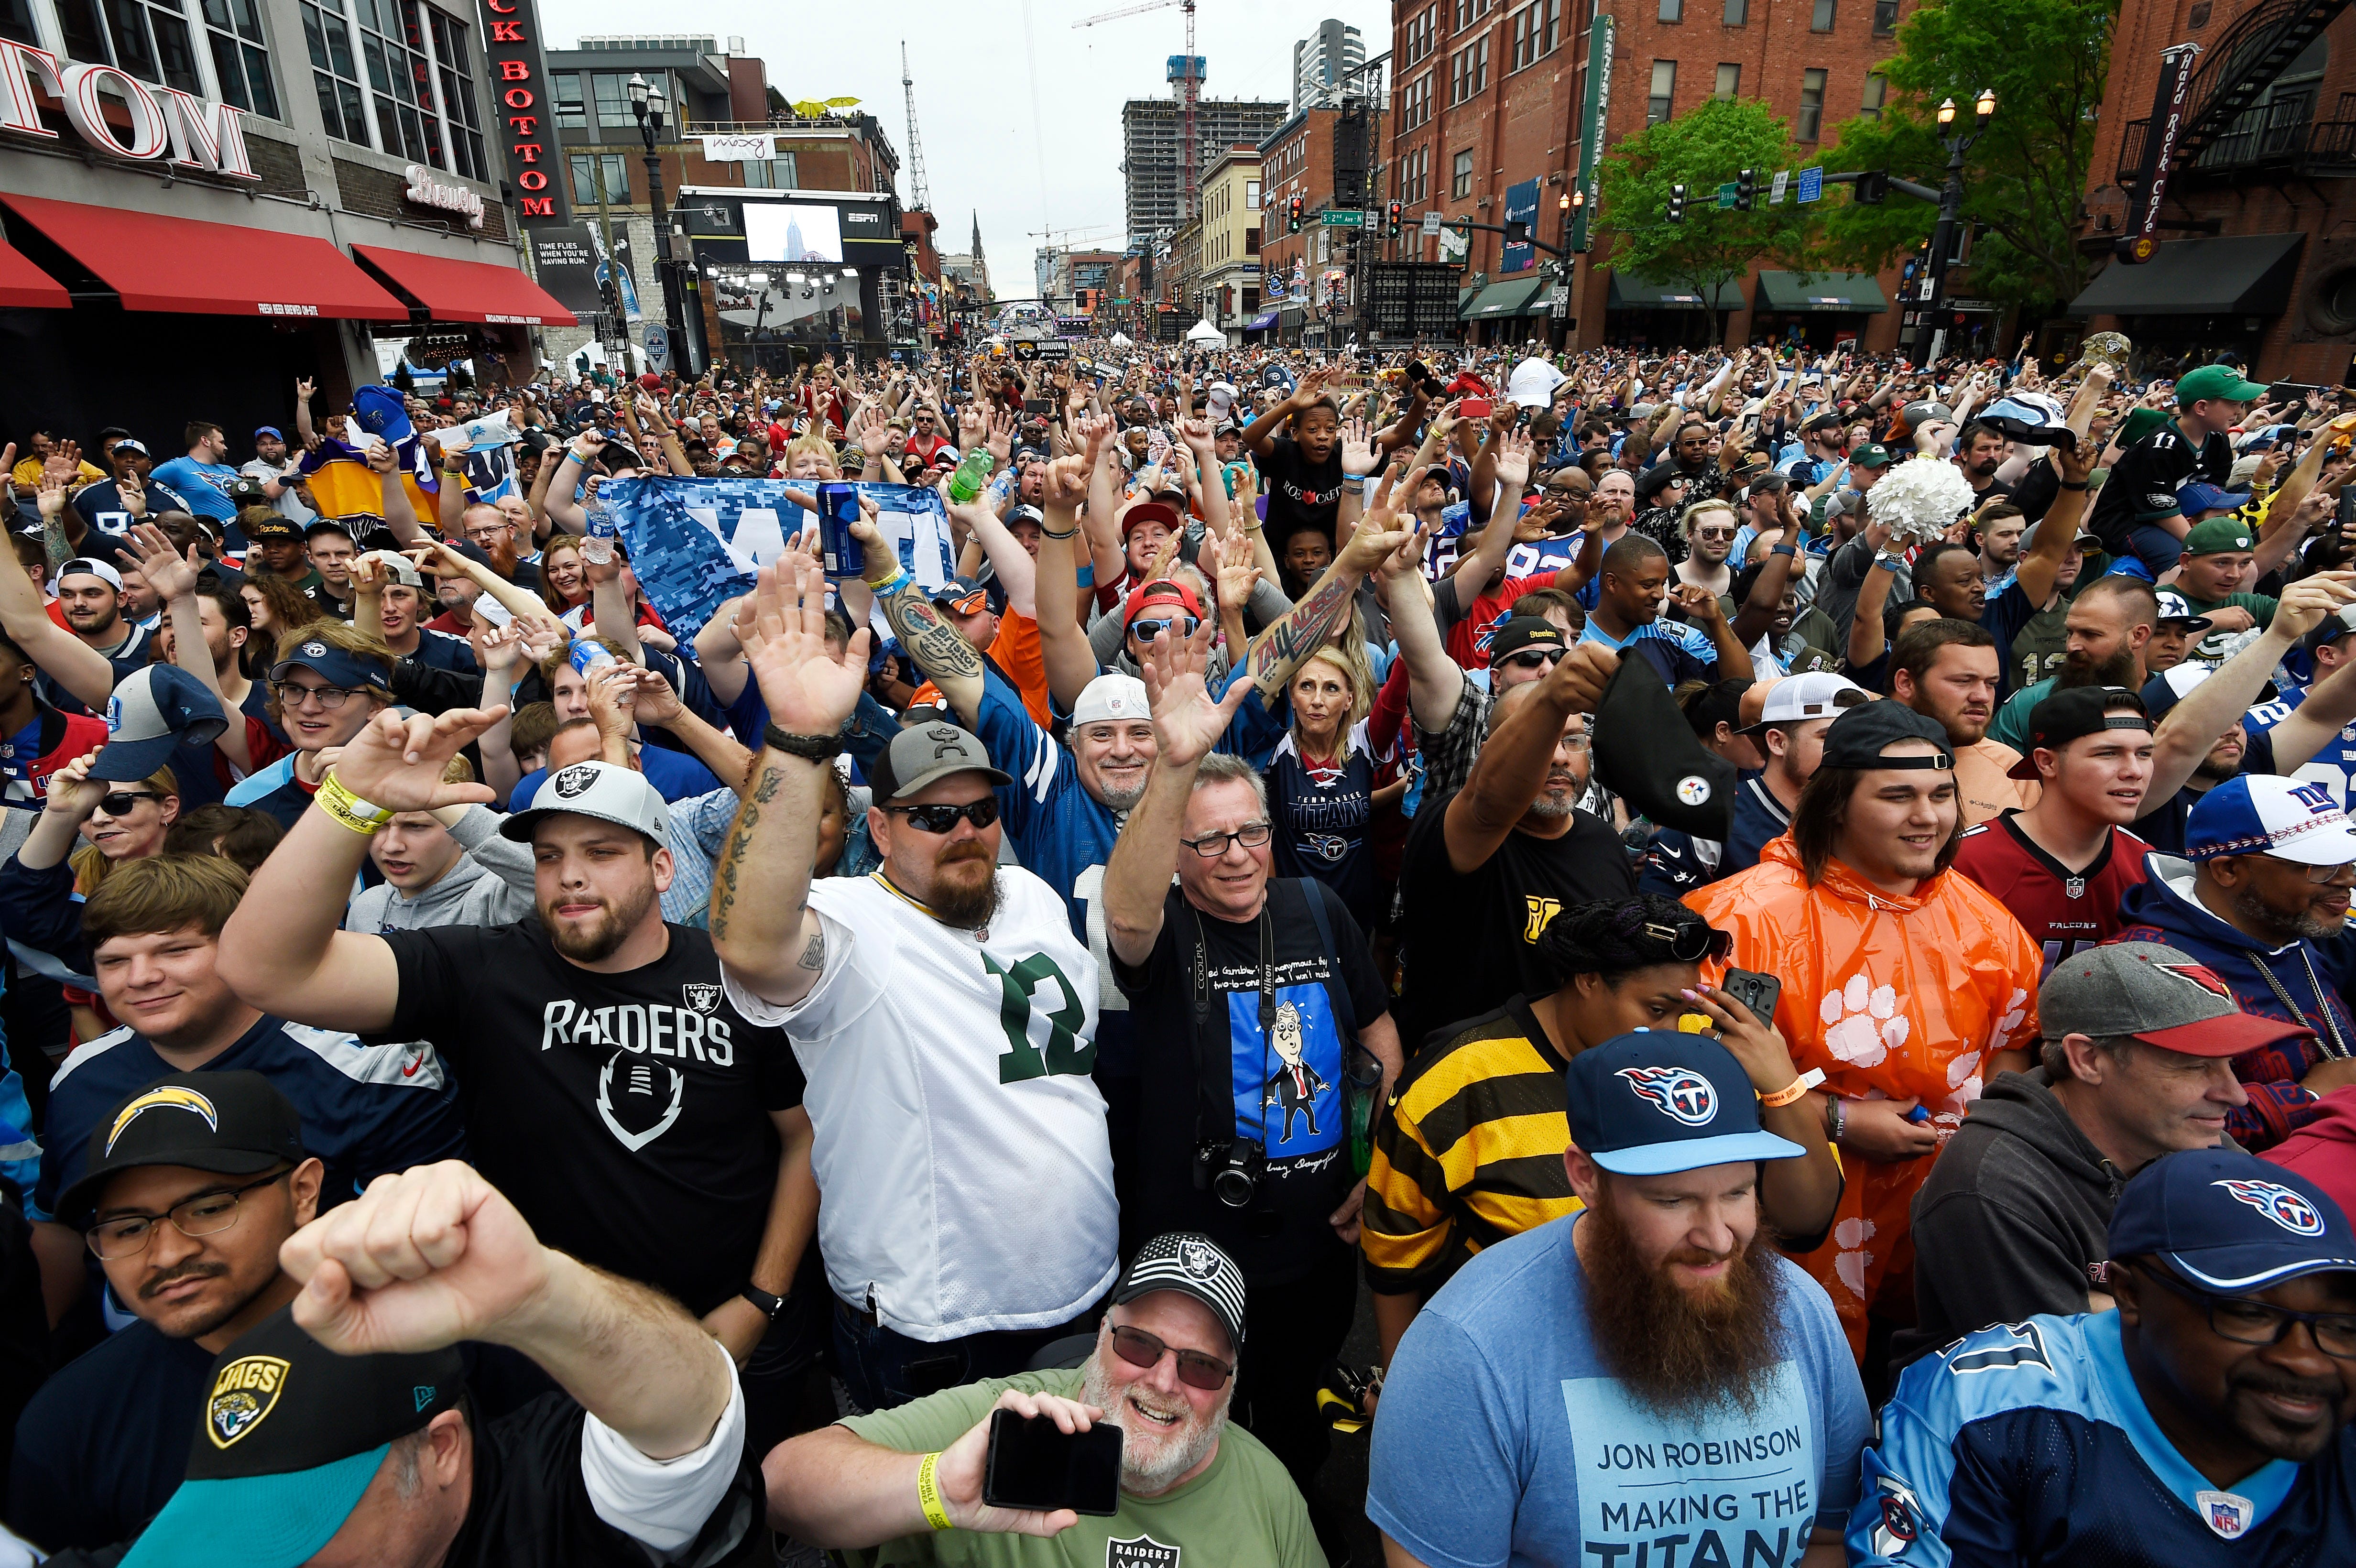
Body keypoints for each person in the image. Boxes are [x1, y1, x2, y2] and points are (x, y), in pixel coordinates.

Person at [213, 725, 817, 1438]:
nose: (570, 876)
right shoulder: (480, 969)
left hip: (733, 1328)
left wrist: (762, 1300)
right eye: (550, 856)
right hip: (551, 1349)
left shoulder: (732, 976)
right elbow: (263, 969)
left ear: (661, 868)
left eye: (602, 852)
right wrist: (351, 801)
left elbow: (799, 1139)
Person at [703, 557, 1117, 1413]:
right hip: (934, 1329)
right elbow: (750, 942)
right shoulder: (852, 922)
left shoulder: (1031, 895)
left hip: (1082, 1290)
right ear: (882, 830)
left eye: (981, 811)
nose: (965, 831)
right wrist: (798, 740)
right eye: (933, 816)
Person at [1099, 623, 1402, 1533]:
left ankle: (1292, 1529)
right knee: (1192, 1419)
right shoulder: (1163, 929)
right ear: (1175, 854)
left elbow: (1378, 1034)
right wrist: (1173, 766)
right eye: (1208, 842)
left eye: (1252, 833)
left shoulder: (1316, 907)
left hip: (1316, 1242)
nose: (1235, 855)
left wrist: (1369, 1160)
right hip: (1197, 1250)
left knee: (1298, 1410)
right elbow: (1125, 916)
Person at [1368, 1032, 1868, 1568]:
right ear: (1586, 1178)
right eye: (1673, 1200)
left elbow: (1831, 1540)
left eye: (1737, 1192)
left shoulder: (1801, 1312)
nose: (1718, 1238)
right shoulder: (1468, 1349)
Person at [112, 1158, 754, 1567]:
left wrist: (545, 1298)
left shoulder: (552, 1499)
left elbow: (690, 1416)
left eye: (299, 1526)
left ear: (440, 1449)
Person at [1685, 699, 2045, 1355]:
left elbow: (2013, 1050)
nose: (1927, 816)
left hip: (1944, 1210)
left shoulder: (1986, 921)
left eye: (1941, 794)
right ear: (1835, 803)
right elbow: (1698, 1086)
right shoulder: (1740, 919)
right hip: (1797, 1214)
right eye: (1897, 796)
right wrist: (1839, 1120)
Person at [1363, 894, 1842, 1364]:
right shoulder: (1457, 1078)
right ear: (1587, 980)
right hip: (1522, 1365)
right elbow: (1395, 1260)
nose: (1673, 1033)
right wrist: (1401, 1384)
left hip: (1687, 1365)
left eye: (1683, 1010)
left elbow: (1805, 1221)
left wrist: (1782, 1084)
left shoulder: (1705, 1057)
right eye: (1656, 1010)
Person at [1852, 1148, 2356, 1567]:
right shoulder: (1992, 1407)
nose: (2305, 1360)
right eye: (2249, 1313)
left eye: (2342, 1326)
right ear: (2130, 1294)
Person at [24, 854, 465, 1324]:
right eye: (114, 961)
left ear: (243, 945)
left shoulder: (369, 1068)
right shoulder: (79, 1077)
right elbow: (63, 1234)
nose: (141, 977)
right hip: (133, 1356)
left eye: (174, 951)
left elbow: (433, 1257)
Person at [763, 1231, 1324, 1567]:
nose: (1162, 1381)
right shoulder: (1004, 1426)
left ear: (1230, 1385)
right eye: (1139, 1343)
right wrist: (937, 1490)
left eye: (1200, 1365)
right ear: (1102, 1335)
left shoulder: (1269, 1492)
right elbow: (782, 1485)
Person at [1894, 942, 2310, 1372]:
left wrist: (2111, 1307)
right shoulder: (1991, 1184)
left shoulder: (2192, 1138)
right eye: (2194, 1066)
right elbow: (2076, 1362)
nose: (2236, 1096)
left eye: (2230, 1065)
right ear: (2089, 1060)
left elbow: (2290, 1290)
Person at [10, 1072, 325, 1551]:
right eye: (129, 1229)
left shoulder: (424, 1342)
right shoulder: (67, 1426)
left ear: (303, 1192)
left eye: (209, 1208)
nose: (169, 1254)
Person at [1392, 647, 1637, 1055]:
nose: (1559, 756)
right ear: (1491, 750)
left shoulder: (1604, 842)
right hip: (1465, 1077)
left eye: (1572, 740)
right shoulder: (1451, 827)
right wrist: (1553, 696)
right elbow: (1489, 805)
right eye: (1540, 738)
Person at [2115, 773, 2356, 1150]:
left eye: (2349, 862)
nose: (2348, 880)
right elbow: (2151, 1124)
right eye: (2320, 867)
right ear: (2227, 870)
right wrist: (2310, 1098)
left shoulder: (2292, 931)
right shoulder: (2147, 968)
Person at [1952, 686, 2156, 971]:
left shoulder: (2148, 867)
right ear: (2047, 762)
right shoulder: (1965, 862)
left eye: (2144, 754)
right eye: (2109, 753)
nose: (2134, 771)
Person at [2085, 361, 2263, 576]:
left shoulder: (2218, 440)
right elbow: (2159, 510)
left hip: (2180, 516)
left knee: (2248, 569)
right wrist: (2204, 544)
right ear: (2201, 408)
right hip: (2126, 521)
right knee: (2183, 567)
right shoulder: (2160, 445)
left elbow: (2214, 495)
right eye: (2233, 404)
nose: (2239, 411)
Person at [1889, 619, 2038, 826]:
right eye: (1963, 681)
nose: (1982, 696)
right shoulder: (1858, 756)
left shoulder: (2009, 766)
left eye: (1991, 684)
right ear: (1906, 683)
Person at [1721, 671, 1869, 876]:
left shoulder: (1863, 820)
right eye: (1829, 737)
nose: (1847, 751)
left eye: (1855, 739)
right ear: (1778, 742)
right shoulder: (1717, 817)